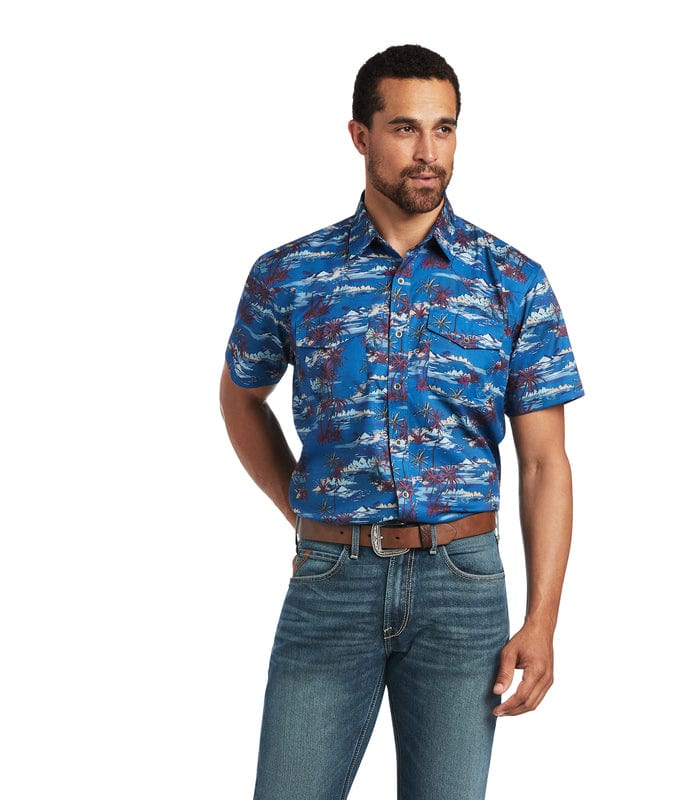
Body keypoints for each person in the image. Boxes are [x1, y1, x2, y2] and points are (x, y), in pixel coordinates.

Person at [220, 44, 584, 800]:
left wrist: (542, 621)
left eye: (443, 129)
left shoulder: (512, 280)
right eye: (405, 128)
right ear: (360, 135)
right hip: (330, 583)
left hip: (463, 589)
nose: (428, 152)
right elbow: (240, 397)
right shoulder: (289, 274)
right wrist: (300, 512)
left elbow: (545, 463)